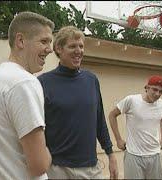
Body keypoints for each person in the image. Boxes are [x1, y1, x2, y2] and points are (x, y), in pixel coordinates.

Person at [0, 11, 55, 180]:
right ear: (21, 41)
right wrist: (47, 152)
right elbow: (39, 165)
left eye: (50, 42)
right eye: (44, 41)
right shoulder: (23, 82)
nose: (50, 49)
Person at [37, 26, 118, 179]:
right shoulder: (42, 83)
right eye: (72, 46)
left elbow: (99, 121)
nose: (78, 51)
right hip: (57, 169)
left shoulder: (91, 80)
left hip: (91, 169)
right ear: (59, 49)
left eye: (81, 46)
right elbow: (36, 128)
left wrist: (111, 154)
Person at [109, 75, 162, 179]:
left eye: (161, 91)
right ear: (147, 87)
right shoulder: (131, 100)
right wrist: (118, 139)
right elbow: (112, 115)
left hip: (155, 155)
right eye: (154, 89)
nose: (157, 94)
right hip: (133, 155)